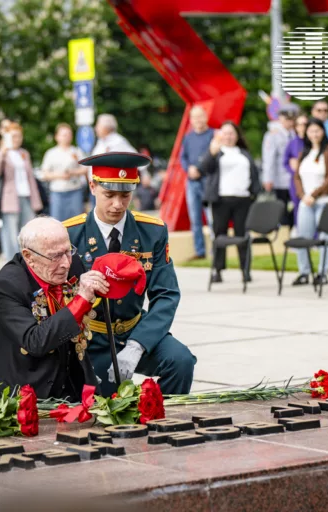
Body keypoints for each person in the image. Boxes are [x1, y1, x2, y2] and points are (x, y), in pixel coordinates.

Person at [64, 152, 196, 397]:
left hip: (135, 330)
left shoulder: (152, 231)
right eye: (109, 195)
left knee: (180, 361)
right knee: (106, 403)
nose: (118, 204)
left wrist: (137, 345)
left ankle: (160, 420)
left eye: (125, 195)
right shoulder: (70, 234)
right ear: (92, 187)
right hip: (91, 336)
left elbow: (166, 294)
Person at [0, 217, 103, 399]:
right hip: (22, 388)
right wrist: (81, 300)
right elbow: (35, 342)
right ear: (28, 256)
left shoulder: (72, 263)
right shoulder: (6, 285)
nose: (66, 263)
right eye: (55, 256)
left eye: (68, 251)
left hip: (70, 380)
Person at [199, 121, 261, 284]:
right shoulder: (216, 151)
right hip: (221, 200)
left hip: (243, 199)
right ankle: (217, 270)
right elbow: (204, 168)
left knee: (243, 235)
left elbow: (253, 173)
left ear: (237, 135)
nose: (228, 136)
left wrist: (255, 192)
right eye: (225, 133)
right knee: (219, 234)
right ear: (220, 135)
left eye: (231, 133)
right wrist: (212, 153)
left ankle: (245, 269)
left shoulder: (243, 153)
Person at [292, 118, 328, 286]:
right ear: (306, 133)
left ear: (323, 132)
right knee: (303, 237)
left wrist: (314, 194)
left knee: (325, 238)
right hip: (306, 202)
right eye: (311, 130)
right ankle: (304, 272)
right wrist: (303, 195)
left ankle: (322, 273)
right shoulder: (303, 153)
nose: (314, 134)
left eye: (317, 130)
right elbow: (297, 177)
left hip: (325, 201)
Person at [0, 122, 43, 261]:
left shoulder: (24, 153)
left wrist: (36, 200)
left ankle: (29, 259)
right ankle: (12, 260)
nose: (17, 139)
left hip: (26, 195)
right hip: (9, 198)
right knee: (10, 232)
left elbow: (31, 177)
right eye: (13, 136)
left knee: (29, 231)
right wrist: (3, 151)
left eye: (19, 136)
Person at [180, 105, 215, 259]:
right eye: (194, 117)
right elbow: (183, 158)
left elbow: (213, 155)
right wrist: (189, 169)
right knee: (195, 219)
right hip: (192, 182)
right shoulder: (188, 137)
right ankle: (200, 251)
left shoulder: (213, 135)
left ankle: (216, 250)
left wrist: (199, 169)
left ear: (205, 117)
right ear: (191, 120)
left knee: (212, 217)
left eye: (200, 116)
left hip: (208, 181)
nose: (198, 120)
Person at [40, 123, 87, 221]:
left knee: (77, 220)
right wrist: (59, 175)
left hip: (75, 190)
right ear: (57, 137)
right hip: (57, 192)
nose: (67, 137)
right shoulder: (51, 153)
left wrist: (73, 172)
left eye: (69, 134)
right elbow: (45, 173)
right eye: (64, 135)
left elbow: (85, 169)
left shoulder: (77, 151)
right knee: (58, 221)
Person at [262, 106, 298, 227]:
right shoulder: (273, 135)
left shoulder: (295, 134)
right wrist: (268, 178)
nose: (290, 122)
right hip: (279, 179)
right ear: (280, 119)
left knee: (295, 207)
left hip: (294, 179)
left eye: (292, 119)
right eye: (287, 119)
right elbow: (269, 158)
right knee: (281, 209)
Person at [285, 113, 308, 226]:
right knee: (297, 208)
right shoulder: (292, 143)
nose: (302, 127)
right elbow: (286, 162)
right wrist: (293, 169)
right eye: (299, 124)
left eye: (304, 124)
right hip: (296, 181)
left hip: (310, 180)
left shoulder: (312, 142)